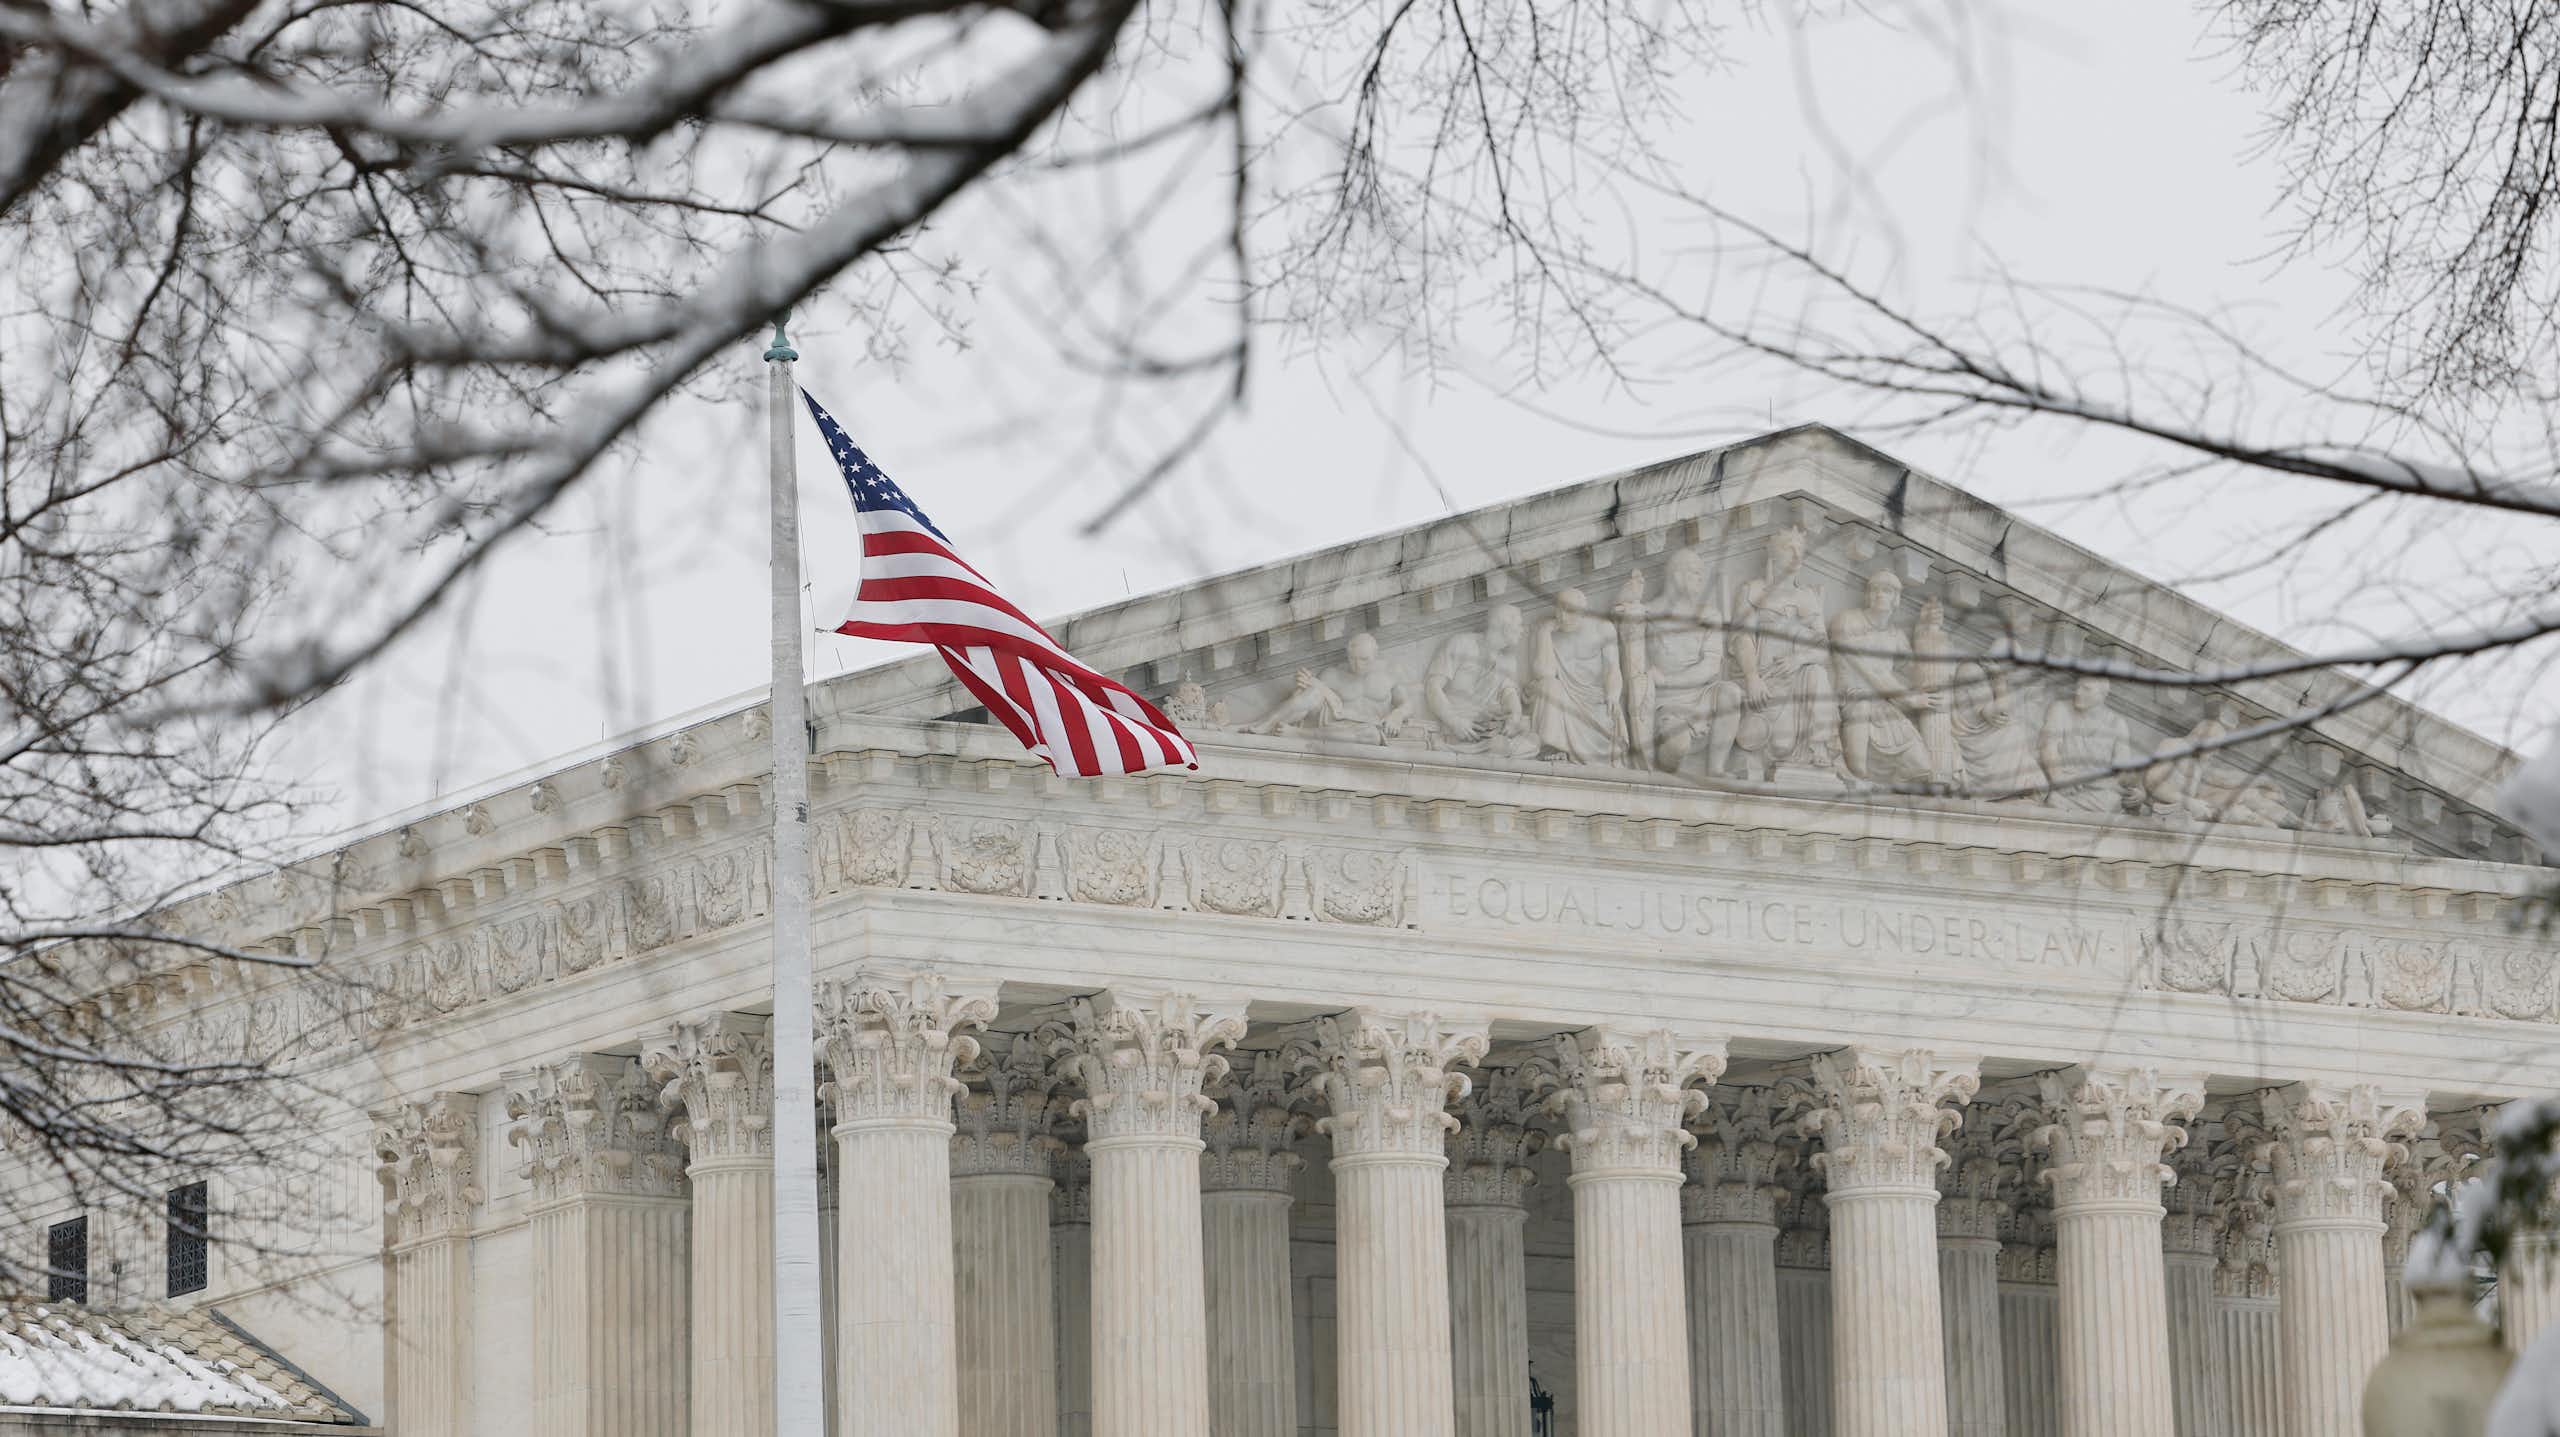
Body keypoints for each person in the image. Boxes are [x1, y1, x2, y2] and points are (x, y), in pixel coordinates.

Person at [1729, 527, 1841, 779]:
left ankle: (1818, 744)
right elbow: (1742, 638)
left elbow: (1823, 648)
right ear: (1773, 554)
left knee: (1817, 673)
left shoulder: (1808, 597)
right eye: (1788, 549)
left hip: (1799, 681)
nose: (1796, 554)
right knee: (1780, 745)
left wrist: (1798, 659)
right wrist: (1752, 677)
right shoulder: (1753, 590)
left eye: (1800, 549)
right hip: (1766, 682)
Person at [1623, 549, 1745, 775]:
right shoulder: (1649, 612)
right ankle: (1667, 781)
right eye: (1695, 574)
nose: (1701, 580)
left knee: (1731, 692)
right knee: (1676, 746)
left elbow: (1711, 666)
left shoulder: (1709, 615)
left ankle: (1716, 768)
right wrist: (1628, 600)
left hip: (1702, 695)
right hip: (1666, 703)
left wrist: (1668, 680)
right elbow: (1627, 633)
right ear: (1677, 576)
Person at [1248, 630, 1411, 741]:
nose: (1357, 665)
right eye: (1352, 659)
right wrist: (1303, 685)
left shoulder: (1390, 671)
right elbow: (1302, 700)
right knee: (1312, 693)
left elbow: (1407, 704)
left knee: (1368, 735)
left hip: (1362, 730)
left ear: (1376, 654)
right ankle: (1263, 726)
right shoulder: (1333, 674)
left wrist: (1398, 715)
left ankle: (1297, 734)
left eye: (1364, 659)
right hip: (1337, 721)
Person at [1421, 604, 1538, 756]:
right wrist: (1455, 722)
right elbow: (1432, 687)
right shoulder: (1461, 644)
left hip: (1487, 730)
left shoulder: (1507, 661)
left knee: (1534, 741)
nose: (1523, 630)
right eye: (1519, 625)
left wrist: (1514, 717)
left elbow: (1509, 693)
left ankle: (1460, 751)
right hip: (1458, 727)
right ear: (1505, 626)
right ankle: (1451, 748)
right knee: (1499, 746)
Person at [1529, 588, 1629, 765]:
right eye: (1559, 609)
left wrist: (1613, 696)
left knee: (1607, 717)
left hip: (1594, 701)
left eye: (1570, 611)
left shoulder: (1602, 628)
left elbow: (1612, 669)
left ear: (1583, 612)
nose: (1562, 616)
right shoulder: (1546, 631)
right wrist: (1544, 633)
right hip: (1564, 702)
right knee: (1549, 686)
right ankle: (1552, 747)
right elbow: (1545, 673)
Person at [2039, 676, 2136, 811]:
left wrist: (2137, 791)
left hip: (2099, 790)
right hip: (2066, 786)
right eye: (2078, 687)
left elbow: (2123, 769)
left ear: (2103, 695)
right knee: (2055, 801)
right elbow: (2048, 747)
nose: (2078, 692)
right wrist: (2058, 778)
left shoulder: (2117, 723)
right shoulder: (2060, 708)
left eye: (2086, 689)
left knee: (2112, 803)